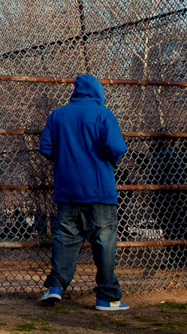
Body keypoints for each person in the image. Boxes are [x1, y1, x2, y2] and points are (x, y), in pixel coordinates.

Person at [38, 74, 129, 311]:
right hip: (99, 190)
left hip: (67, 190)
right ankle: (106, 297)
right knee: (104, 243)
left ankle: (55, 287)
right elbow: (117, 147)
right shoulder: (102, 114)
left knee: (65, 240)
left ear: (75, 92)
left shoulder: (57, 115)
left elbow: (45, 147)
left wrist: (66, 159)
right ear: (98, 92)